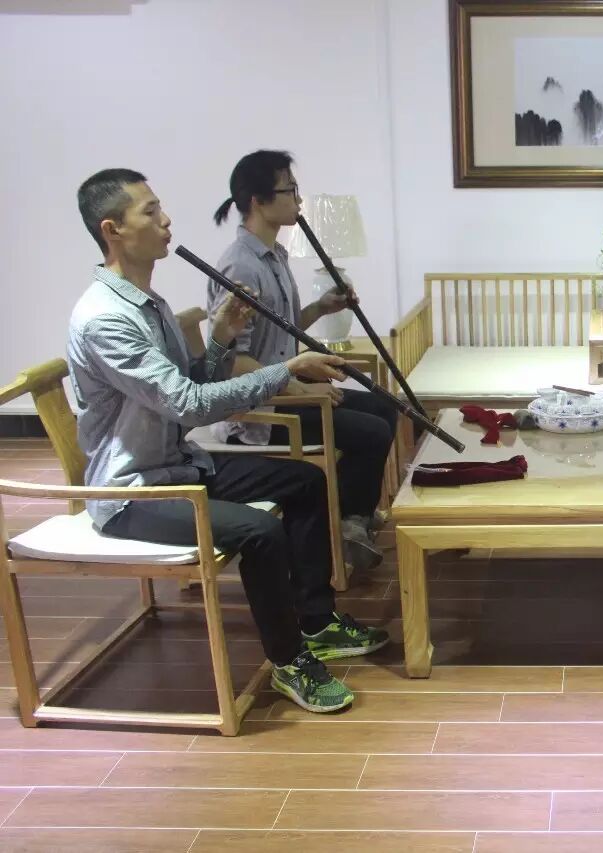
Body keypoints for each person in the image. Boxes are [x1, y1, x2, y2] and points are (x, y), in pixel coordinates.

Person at [69, 168, 390, 713]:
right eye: (150, 211)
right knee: (260, 532)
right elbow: (188, 404)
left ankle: (316, 622)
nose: (166, 220)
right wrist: (286, 370)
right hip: (133, 492)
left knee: (305, 481)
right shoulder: (105, 319)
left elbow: (190, 383)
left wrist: (218, 340)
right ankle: (290, 661)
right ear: (112, 230)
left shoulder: (149, 304)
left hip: (179, 465)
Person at [209, 150, 397, 572]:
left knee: (384, 406)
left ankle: (352, 515)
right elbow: (232, 362)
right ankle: (345, 526)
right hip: (262, 414)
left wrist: (321, 308)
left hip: (285, 392)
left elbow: (282, 328)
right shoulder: (241, 267)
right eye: (289, 190)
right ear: (259, 201)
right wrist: (295, 385)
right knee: (370, 432)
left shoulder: (273, 255)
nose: (298, 200)